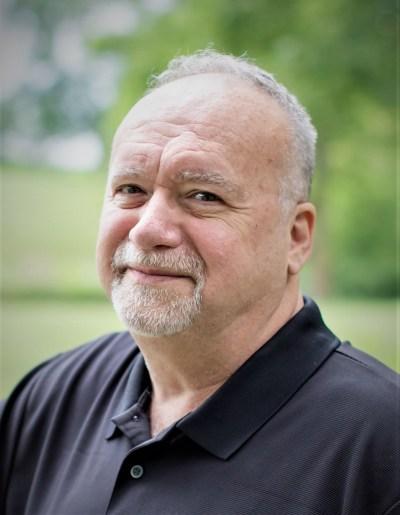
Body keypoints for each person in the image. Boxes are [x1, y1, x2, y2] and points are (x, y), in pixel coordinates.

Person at [1, 49, 399, 515]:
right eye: (131, 189)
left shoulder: (380, 448)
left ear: (296, 237)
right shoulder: (49, 399)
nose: (147, 229)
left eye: (203, 196)